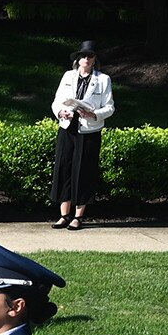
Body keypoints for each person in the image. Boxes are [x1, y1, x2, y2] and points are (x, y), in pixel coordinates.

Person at [51, 40, 116, 230]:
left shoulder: (103, 80)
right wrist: (60, 112)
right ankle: (64, 214)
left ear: (95, 60)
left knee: (84, 171)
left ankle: (78, 216)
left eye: (90, 56)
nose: (86, 59)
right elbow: (57, 101)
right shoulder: (68, 76)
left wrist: (94, 114)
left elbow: (110, 107)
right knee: (64, 168)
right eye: (83, 56)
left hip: (89, 131)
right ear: (78, 59)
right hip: (68, 127)